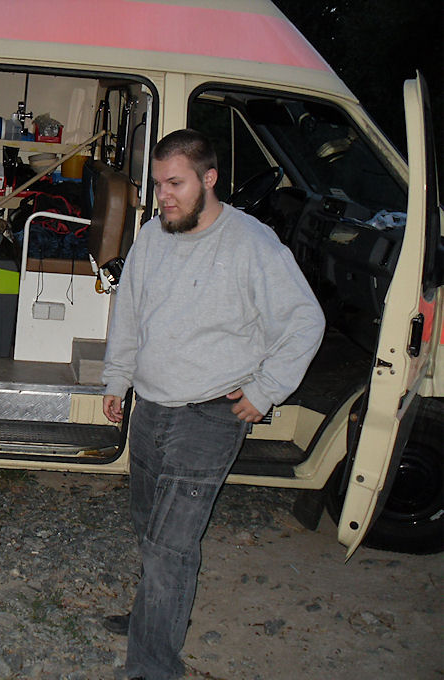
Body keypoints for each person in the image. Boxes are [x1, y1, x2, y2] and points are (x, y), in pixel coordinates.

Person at [100, 129, 325, 680]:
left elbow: (305, 321)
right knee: (149, 527)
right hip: (151, 406)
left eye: (175, 184)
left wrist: (266, 390)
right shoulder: (152, 236)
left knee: (171, 546)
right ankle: (151, 618)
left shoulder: (251, 243)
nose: (163, 196)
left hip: (209, 414)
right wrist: (117, 379)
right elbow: (129, 313)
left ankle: (152, 666)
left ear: (209, 179)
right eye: (158, 185)